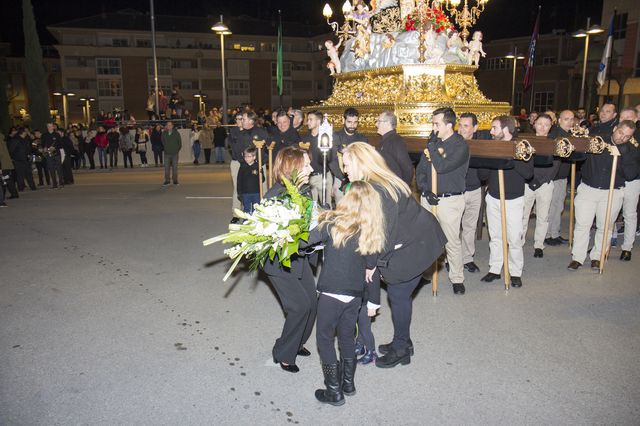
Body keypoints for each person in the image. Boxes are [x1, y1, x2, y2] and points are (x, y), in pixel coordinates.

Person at [341, 142, 446, 368]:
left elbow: (382, 235)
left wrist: (372, 264)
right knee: (401, 295)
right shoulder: (376, 181)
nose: (344, 170)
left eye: (347, 165)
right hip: (416, 237)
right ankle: (404, 342)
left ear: (360, 163)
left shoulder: (377, 190)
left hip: (418, 244)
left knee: (398, 296)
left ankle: (401, 350)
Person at [309, 181, 385, 406]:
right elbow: (371, 266)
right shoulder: (370, 230)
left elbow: (307, 240)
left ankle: (333, 391)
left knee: (324, 338)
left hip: (331, 292)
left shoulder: (331, 222)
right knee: (346, 338)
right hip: (354, 295)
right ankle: (348, 384)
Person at [261, 146, 316, 373]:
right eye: (306, 165)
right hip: (278, 262)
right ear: (292, 169)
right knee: (299, 306)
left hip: (299, 258)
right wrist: (325, 232)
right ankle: (283, 353)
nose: (311, 169)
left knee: (312, 303)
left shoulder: (303, 191)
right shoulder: (275, 197)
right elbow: (291, 238)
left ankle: (296, 342)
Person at [568, 120, 638, 270]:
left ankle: (598, 257)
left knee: (605, 227)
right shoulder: (597, 140)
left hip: (612, 192)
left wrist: (623, 155)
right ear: (615, 129)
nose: (621, 138)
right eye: (620, 133)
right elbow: (577, 156)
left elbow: (631, 175)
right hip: (588, 188)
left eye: (626, 136)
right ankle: (578, 257)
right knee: (582, 225)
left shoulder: (630, 150)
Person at [416, 107, 469, 295]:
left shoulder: (459, 145)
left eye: (436, 124)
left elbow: (442, 167)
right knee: (427, 239)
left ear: (448, 125)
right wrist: (425, 189)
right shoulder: (432, 143)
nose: (433, 127)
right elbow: (422, 170)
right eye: (433, 123)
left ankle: (457, 277)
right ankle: (427, 274)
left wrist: (432, 147)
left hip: (450, 200)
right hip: (430, 198)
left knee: (451, 240)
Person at [477, 116, 534, 287]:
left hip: (514, 199)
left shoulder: (522, 147)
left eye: (494, 128)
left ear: (506, 130)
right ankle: (495, 268)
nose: (491, 131)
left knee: (514, 238)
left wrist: (509, 156)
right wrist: (488, 156)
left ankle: (515, 272)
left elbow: (528, 173)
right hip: (493, 197)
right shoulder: (492, 146)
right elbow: (482, 175)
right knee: (495, 236)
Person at [521, 114, 561, 258]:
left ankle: (539, 244)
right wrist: (529, 179)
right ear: (534, 125)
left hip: (545, 184)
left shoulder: (554, 143)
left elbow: (556, 165)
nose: (543, 127)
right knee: (523, 215)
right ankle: (519, 242)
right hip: (527, 182)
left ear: (551, 127)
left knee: (542, 216)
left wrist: (539, 181)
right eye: (540, 123)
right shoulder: (526, 141)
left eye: (546, 124)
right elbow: (522, 161)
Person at [457, 112, 490, 273]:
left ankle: (467, 258)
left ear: (475, 128)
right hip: (457, 192)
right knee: (454, 228)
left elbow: (484, 170)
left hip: (475, 189)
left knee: (469, 227)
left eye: (466, 126)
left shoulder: (479, 146)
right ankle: (453, 258)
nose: (461, 129)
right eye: (460, 125)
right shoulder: (453, 144)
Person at [329, 108, 369, 203]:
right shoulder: (336, 136)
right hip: (339, 175)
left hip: (358, 177)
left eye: (355, 122)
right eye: (349, 122)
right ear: (344, 120)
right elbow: (332, 160)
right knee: (341, 205)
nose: (352, 125)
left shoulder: (362, 138)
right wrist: (343, 178)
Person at [618, 108, 640, 261]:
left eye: (629, 117)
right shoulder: (615, 133)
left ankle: (627, 247)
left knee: (629, 214)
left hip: (632, 180)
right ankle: (607, 241)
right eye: (623, 117)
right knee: (610, 212)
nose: (625, 119)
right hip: (614, 179)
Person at [301, 111, 333, 205]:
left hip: (323, 176)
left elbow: (332, 158)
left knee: (326, 206)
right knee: (311, 207)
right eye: (308, 120)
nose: (308, 122)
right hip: (310, 177)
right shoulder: (305, 138)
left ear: (319, 121)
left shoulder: (326, 137)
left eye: (311, 119)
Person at [375, 110, 413, 185]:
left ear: (388, 123)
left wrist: (403, 187)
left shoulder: (396, 141)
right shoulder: (384, 141)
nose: (376, 124)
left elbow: (407, 168)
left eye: (379, 121)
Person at [228, 112, 245, 220]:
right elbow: (231, 146)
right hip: (236, 163)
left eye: (242, 119)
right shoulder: (233, 131)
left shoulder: (249, 132)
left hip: (248, 163)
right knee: (237, 189)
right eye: (238, 119)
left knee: (249, 189)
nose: (240, 121)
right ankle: (236, 214)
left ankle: (248, 212)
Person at [8, 127, 37, 191]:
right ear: (23, 132)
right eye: (26, 131)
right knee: (20, 175)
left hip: (26, 159)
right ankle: (21, 188)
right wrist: (12, 158)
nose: (27, 132)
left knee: (29, 174)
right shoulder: (15, 139)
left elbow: (30, 147)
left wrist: (30, 154)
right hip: (18, 160)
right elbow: (11, 150)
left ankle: (33, 187)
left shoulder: (26, 139)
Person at [237, 147, 263, 214]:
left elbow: (262, 180)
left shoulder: (258, 166)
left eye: (249, 156)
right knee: (247, 209)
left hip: (256, 192)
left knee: (256, 209)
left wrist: (261, 173)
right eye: (245, 156)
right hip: (246, 193)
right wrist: (239, 193)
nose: (246, 158)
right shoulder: (242, 167)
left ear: (254, 157)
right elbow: (239, 180)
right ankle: (246, 222)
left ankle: (256, 222)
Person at [41, 123, 64, 189]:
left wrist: (55, 147)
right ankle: (54, 184)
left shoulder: (57, 135)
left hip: (56, 153)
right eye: (48, 126)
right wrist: (44, 148)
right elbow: (42, 143)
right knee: (51, 169)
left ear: (53, 127)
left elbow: (61, 144)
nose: (50, 127)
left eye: (51, 126)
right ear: (47, 127)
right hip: (48, 154)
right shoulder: (44, 135)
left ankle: (61, 183)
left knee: (59, 168)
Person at [162, 121, 182, 186]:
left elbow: (180, 143)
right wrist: (166, 148)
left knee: (175, 168)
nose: (169, 126)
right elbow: (163, 142)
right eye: (168, 125)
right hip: (167, 154)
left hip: (175, 154)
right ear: (166, 126)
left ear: (172, 126)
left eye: (170, 125)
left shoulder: (176, 133)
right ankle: (167, 181)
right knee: (166, 168)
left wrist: (176, 150)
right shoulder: (164, 133)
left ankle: (175, 181)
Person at [0, 132, 18, 204]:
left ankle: (2, 198)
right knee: (8, 179)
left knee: (3, 181)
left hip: (3, 164)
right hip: (6, 163)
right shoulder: (2, 139)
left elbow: (0, 154)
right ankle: (14, 194)